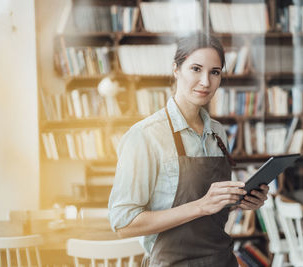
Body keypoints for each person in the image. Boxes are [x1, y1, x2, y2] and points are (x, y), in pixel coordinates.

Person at [108, 33, 269, 267]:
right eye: (196, 69)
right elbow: (123, 224)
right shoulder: (145, 135)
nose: (206, 81)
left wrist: (242, 200)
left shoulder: (219, 132)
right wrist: (201, 206)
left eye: (215, 72)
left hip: (222, 261)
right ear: (176, 69)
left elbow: (211, 209)